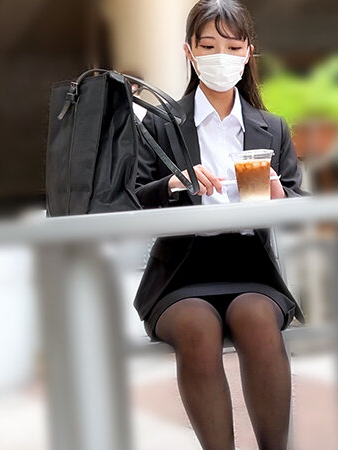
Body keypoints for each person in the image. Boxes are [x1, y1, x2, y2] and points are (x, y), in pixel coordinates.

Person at [132, 1, 307, 448]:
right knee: (197, 326)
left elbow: (299, 205)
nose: (220, 57)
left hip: (250, 264)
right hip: (180, 268)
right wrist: (173, 182)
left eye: (232, 46)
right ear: (189, 51)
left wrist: (279, 196)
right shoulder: (161, 124)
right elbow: (131, 197)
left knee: (257, 318)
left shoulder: (271, 127)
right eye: (208, 46)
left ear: (248, 52)